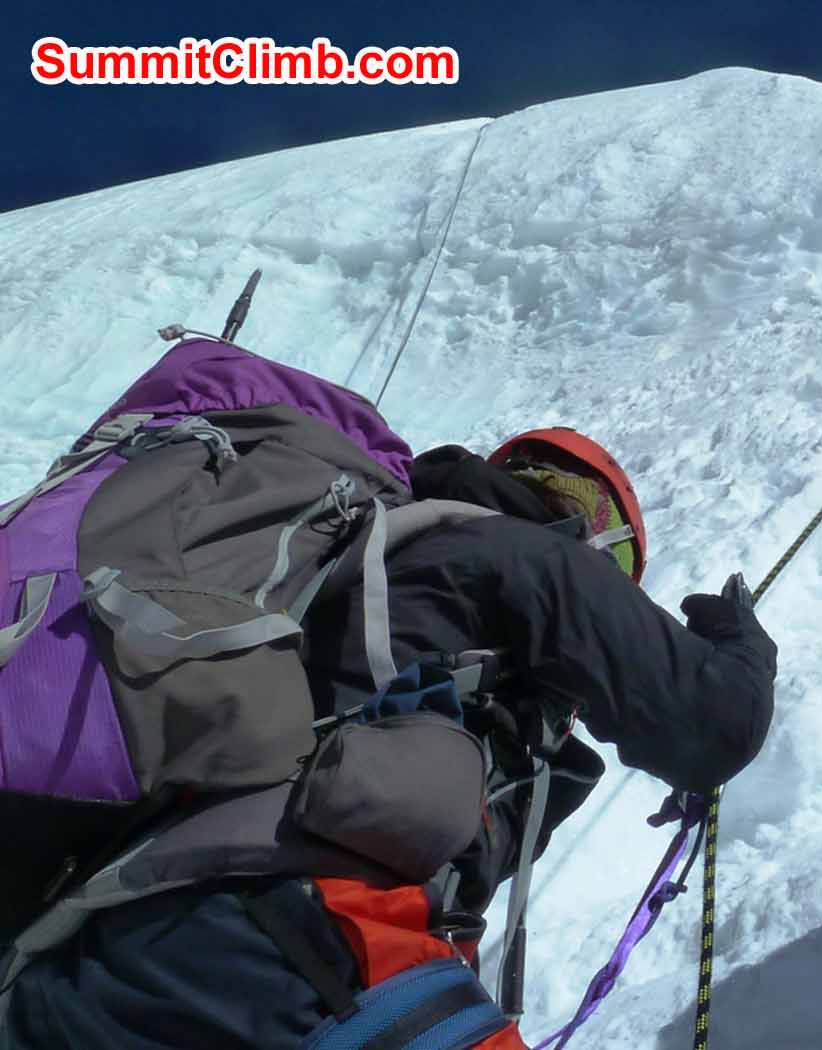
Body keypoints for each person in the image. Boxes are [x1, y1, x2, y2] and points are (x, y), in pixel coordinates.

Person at [0, 429, 778, 1050]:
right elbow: (712, 727)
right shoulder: (520, 553)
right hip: (303, 942)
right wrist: (743, 646)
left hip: (108, 945)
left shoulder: (365, 560)